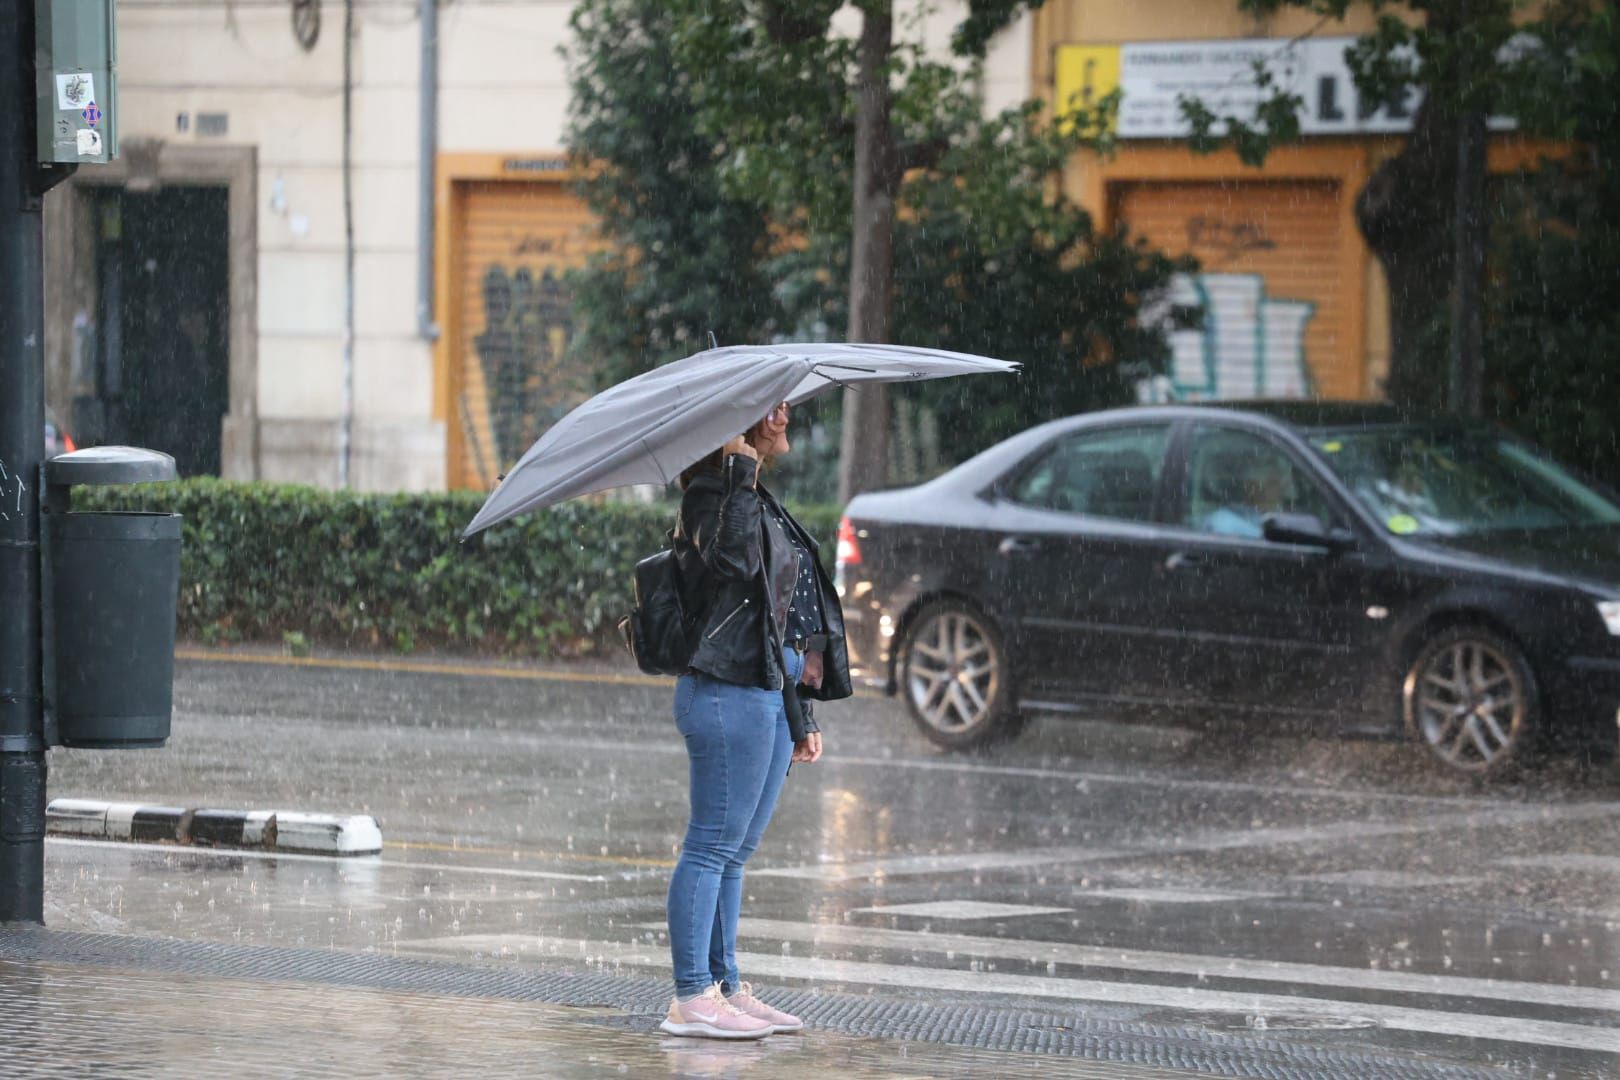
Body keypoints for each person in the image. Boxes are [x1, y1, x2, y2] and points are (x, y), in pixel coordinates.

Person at [658, 399, 851, 1040]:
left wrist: (800, 717)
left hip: (764, 693)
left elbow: (775, 620)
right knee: (710, 846)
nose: (785, 416)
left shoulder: (759, 498)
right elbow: (734, 564)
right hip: (723, 692)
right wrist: (738, 472)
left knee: (733, 854)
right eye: (771, 408)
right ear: (731, 430)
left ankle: (724, 986)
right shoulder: (711, 498)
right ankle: (690, 997)